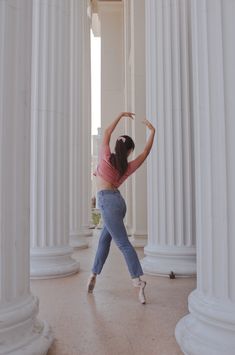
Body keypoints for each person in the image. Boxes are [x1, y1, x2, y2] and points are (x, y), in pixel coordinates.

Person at [88, 112, 156, 304]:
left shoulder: (105, 155)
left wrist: (120, 115)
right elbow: (145, 153)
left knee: (123, 244)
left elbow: (108, 131)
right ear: (128, 151)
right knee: (104, 241)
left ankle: (138, 281)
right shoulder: (126, 167)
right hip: (118, 203)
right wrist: (153, 133)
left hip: (107, 203)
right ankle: (93, 274)